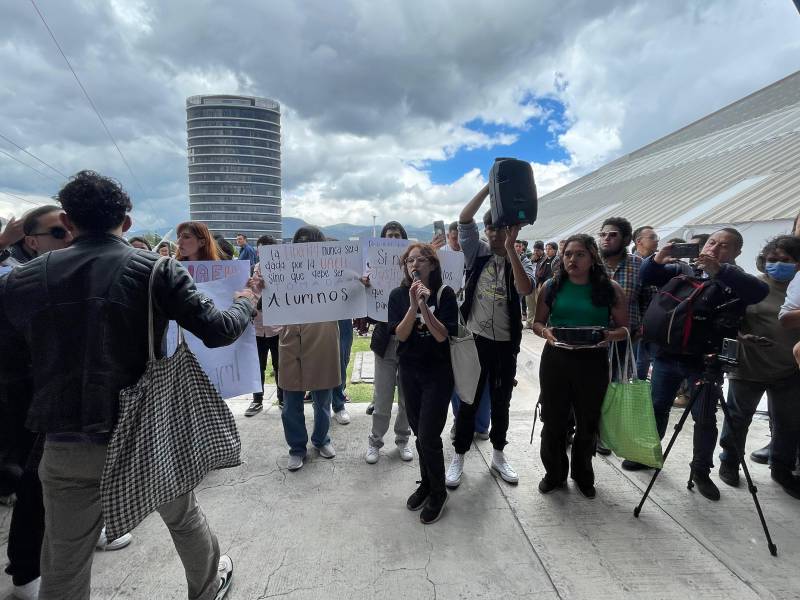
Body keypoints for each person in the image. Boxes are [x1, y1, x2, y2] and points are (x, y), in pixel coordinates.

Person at [2, 170, 261, 600]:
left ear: (68, 219)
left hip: (63, 440)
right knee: (184, 516)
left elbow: (11, 363)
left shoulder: (23, 280)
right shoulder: (157, 270)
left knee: (65, 557)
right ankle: (207, 586)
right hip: (143, 432)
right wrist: (247, 300)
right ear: (127, 221)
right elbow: (218, 331)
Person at [633, 229, 769, 500]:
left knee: (704, 419)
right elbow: (646, 278)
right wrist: (657, 258)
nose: (715, 249)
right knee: (657, 407)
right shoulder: (684, 270)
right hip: (667, 355)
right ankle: (648, 454)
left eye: (724, 246)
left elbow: (759, 291)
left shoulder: (737, 280)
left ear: (737, 253)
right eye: (711, 243)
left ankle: (701, 471)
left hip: (705, 363)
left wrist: (719, 271)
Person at [445, 183, 534, 488]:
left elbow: (525, 289)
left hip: (505, 345)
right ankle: (458, 457)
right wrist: (489, 187)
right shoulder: (477, 253)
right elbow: (463, 217)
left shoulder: (521, 260)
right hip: (475, 341)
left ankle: (498, 456)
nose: (494, 233)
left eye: (500, 228)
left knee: (501, 401)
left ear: (510, 230)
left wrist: (510, 249)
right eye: (490, 228)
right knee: (468, 400)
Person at [532, 234, 629, 497]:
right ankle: (554, 473)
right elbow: (537, 323)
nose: (572, 259)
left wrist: (608, 335)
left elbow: (625, 328)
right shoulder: (551, 286)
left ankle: (583, 474)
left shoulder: (610, 289)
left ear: (593, 257)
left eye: (579, 254)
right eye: (567, 254)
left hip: (593, 362)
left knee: (588, 422)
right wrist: (547, 333)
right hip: (556, 360)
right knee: (553, 421)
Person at [717, 236, 800, 499]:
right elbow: (730, 320)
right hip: (748, 367)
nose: (777, 265)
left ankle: (782, 468)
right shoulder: (752, 286)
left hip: (789, 369)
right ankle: (730, 462)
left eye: (785, 260)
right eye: (772, 260)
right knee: (738, 418)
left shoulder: (798, 289)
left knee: (787, 423)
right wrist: (742, 337)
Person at [389, 243, 458, 524]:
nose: (413, 264)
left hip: (438, 374)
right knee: (420, 434)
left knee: (429, 435)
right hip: (409, 372)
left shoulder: (445, 294)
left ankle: (439, 492)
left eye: (419, 259)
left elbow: (443, 336)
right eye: (409, 261)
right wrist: (412, 305)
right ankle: (427, 482)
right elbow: (401, 334)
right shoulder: (397, 295)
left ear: (432, 264)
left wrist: (425, 308)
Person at [279, 226, 341, 471]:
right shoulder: (280, 270)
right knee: (291, 399)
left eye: (310, 244)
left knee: (322, 398)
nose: (304, 249)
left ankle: (322, 439)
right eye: (300, 244)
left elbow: (350, 294)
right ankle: (296, 447)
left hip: (322, 335)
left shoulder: (333, 271)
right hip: (291, 336)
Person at [364, 221, 413, 463]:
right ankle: (375, 442)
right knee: (382, 398)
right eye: (389, 235)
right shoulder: (375, 273)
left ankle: (403, 440)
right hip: (385, 343)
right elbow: (371, 315)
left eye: (397, 235)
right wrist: (367, 289)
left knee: (407, 399)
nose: (393, 239)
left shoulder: (414, 273)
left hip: (410, 346)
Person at [245, 235, 283, 416]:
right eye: (261, 249)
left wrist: (269, 287)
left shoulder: (282, 271)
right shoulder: (251, 270)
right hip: (257, 327)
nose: (263, 253)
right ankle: (257, 400)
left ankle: (283, 399)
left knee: (280, 365)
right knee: (257, 365)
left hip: (278, 328)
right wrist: (248, 287)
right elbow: (246, 297)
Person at [525, 240, 546, 328]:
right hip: (531, 284)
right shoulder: (532, 259)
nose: (535, 252)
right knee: (530, 304)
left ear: (542, 250)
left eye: (537, 250)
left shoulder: (545, 259)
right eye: (535, 250)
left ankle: (537, 323)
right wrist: (532, 261)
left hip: (539, 284)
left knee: (538, 305)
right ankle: (529, 323)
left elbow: (543, 272)